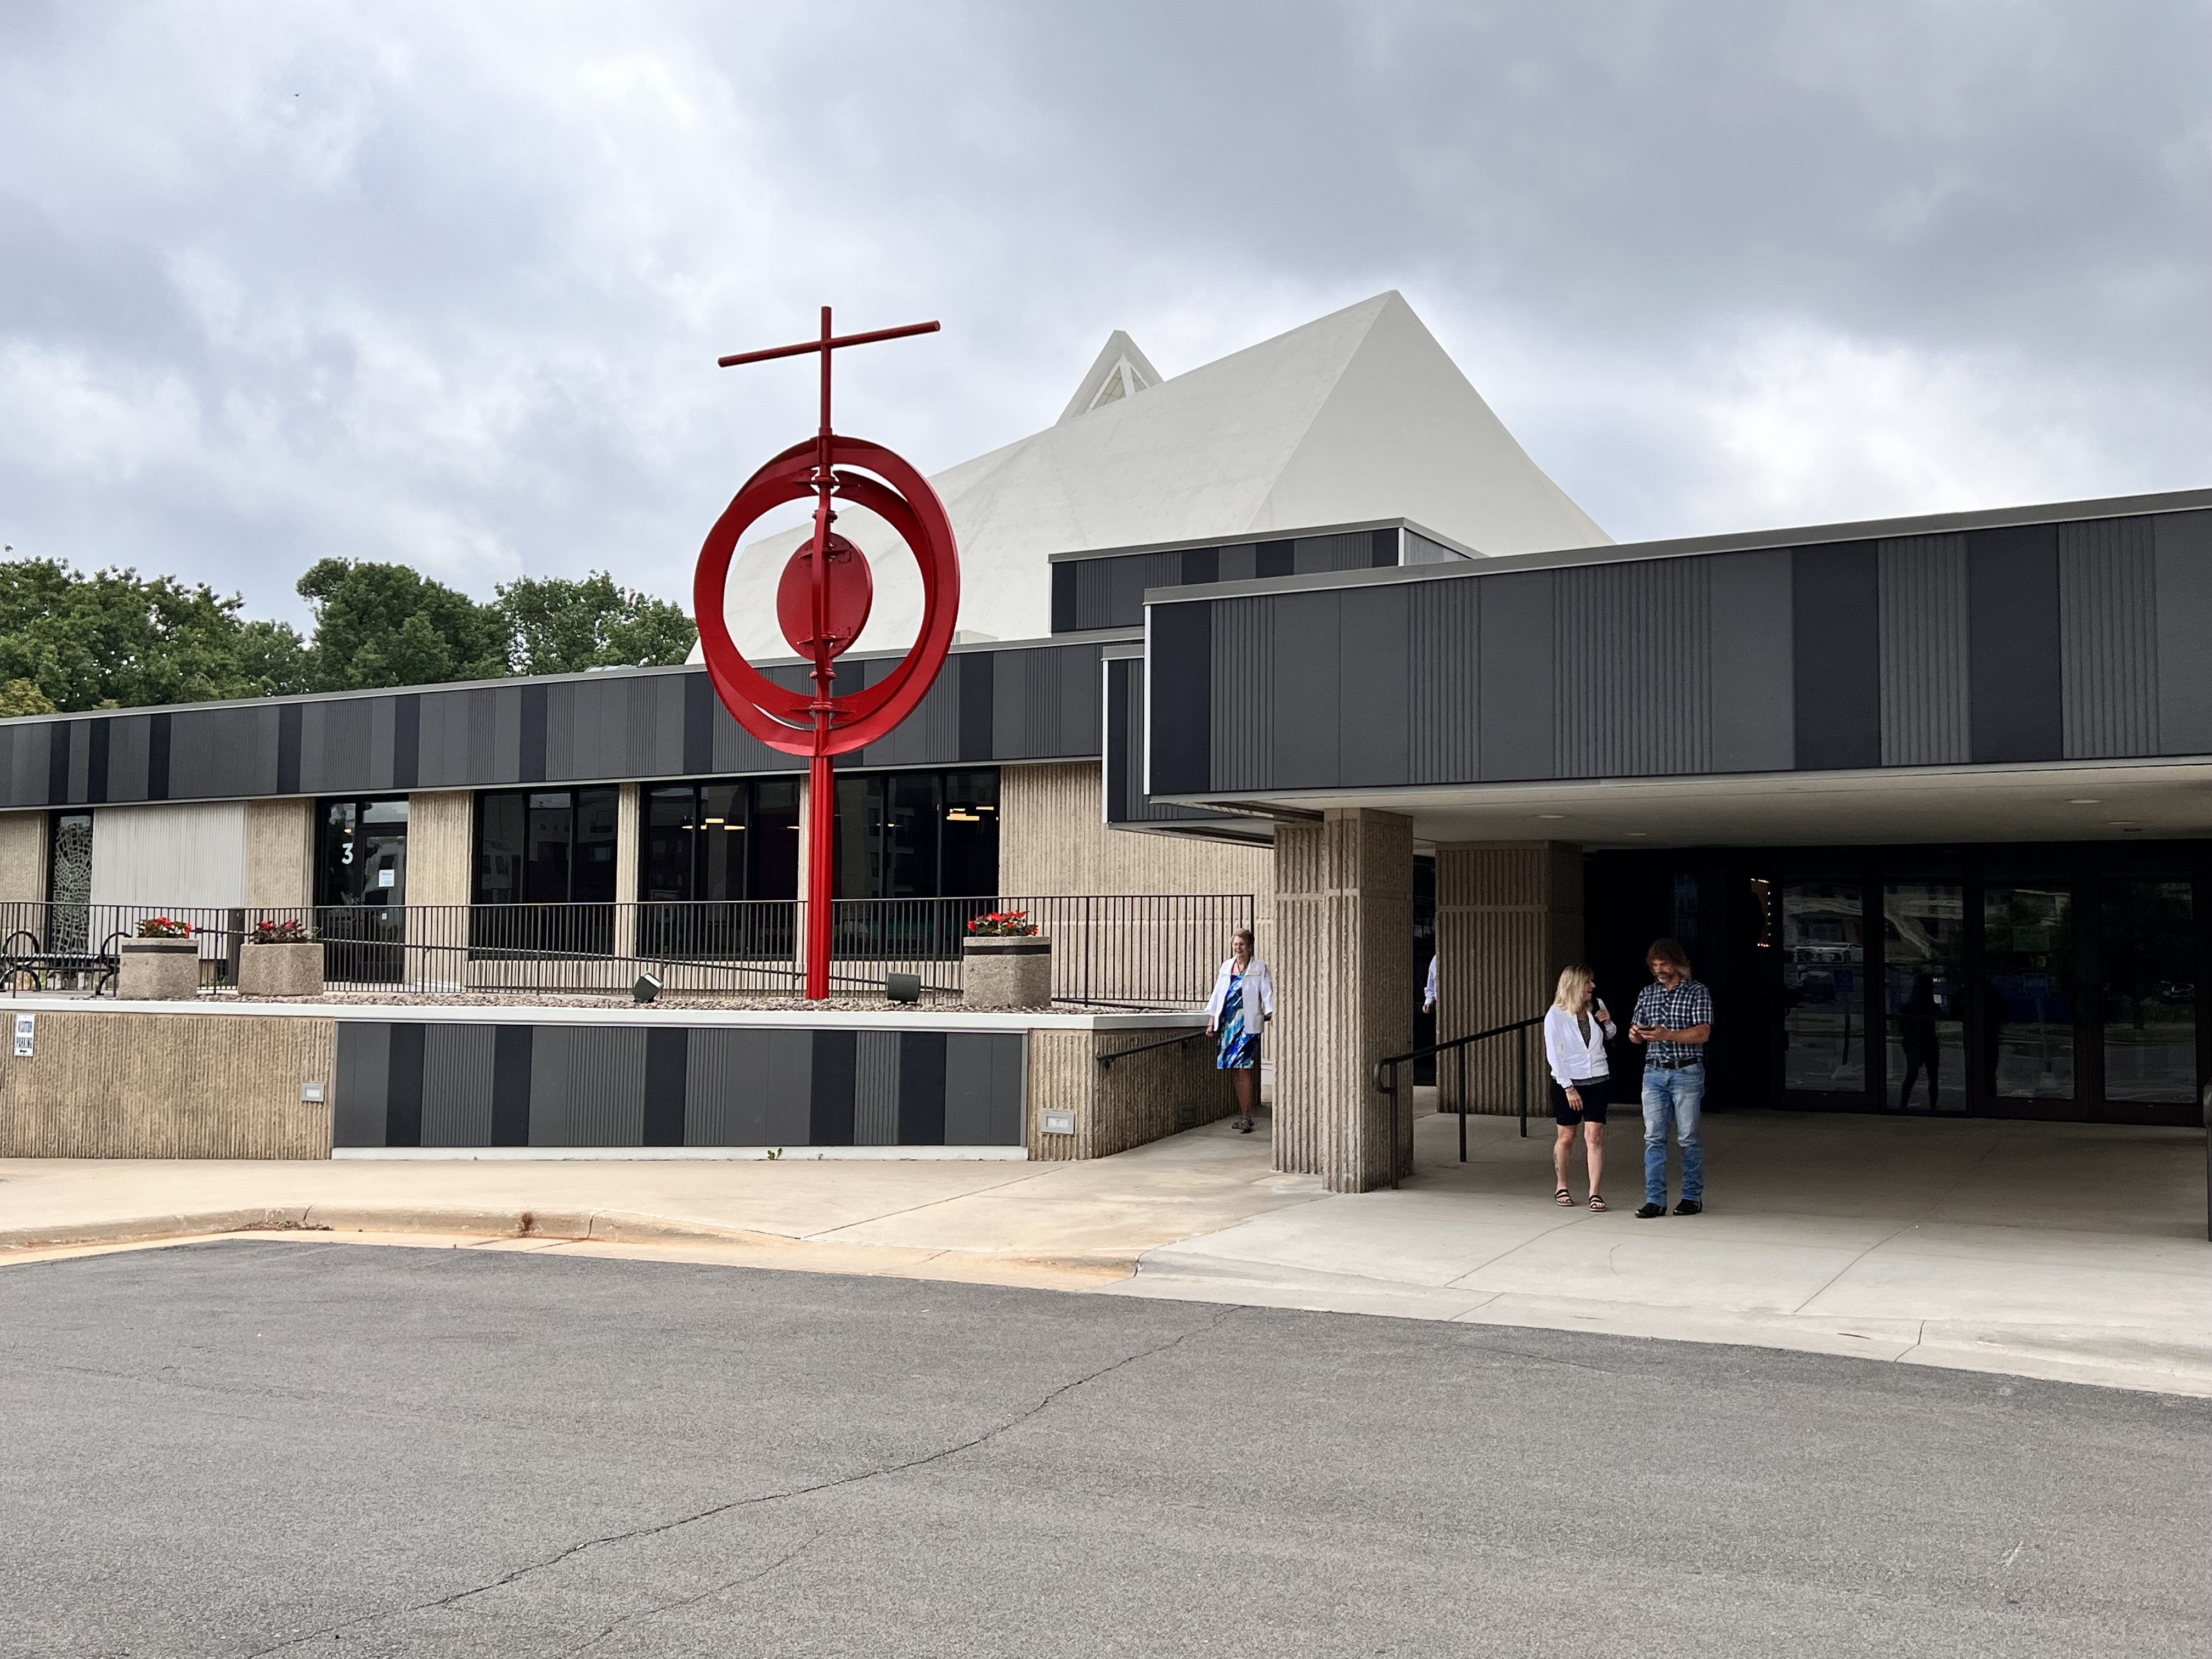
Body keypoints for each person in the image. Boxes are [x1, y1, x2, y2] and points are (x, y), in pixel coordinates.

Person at [1628, 937, 1712, 1218]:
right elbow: (1635, 1035)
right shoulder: (1647, 993)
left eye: (1664, 964)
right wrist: (1637, 1034)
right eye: (1654, 965)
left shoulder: (1697, 992)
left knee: (1687, 1137)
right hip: (1653, 1071)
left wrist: (1668, 1035)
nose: (1659, 969)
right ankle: (1655, 1199)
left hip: (1686, 1071)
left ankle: (1691, 1196)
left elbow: (1703, 1034)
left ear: (1677, 962)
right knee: (1653, 1137)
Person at [1543, 963, 1615, 1211]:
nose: (1592, 987)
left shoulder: (1596, 1006)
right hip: (1569, 1082)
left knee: (1594, 1135)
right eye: (1587, 983)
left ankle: (1595, 1192)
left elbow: (1610, 1036)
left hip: (1598, 1079)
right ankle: (1561, 1185)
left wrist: (1608, 1023)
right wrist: (1568, 1088)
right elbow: (1555, 1056)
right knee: (1567, 1137)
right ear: (1574, 985)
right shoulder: (1556, 1014)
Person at [1205, 928, 1274, 1133]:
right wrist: (1212, 1022)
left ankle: (1247, 1116)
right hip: (1229, 1025)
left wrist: (1272, 1012)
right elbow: (1218, 996)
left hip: (1248, 1025)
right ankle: (1245, 1113)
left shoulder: (1259, 967)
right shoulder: (1227, 967)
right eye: (1235, 944)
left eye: (1241, 944)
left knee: (1244, 1068)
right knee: (1235, 1070)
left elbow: (1267, 991)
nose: (1238, 948)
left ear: (1250, 946)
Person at [1897, 972, 1942, 1111]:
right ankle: (1933, 1107)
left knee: (1912, 1076)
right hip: (1927, 1043)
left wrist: (1908, 1038)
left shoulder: (1911, 1003)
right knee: (1932, 1077)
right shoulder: (1928, 1003)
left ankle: (1903, 1105)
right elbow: (1939, 1014)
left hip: (1914, 1043)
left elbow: (1901, 1024)